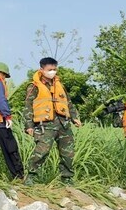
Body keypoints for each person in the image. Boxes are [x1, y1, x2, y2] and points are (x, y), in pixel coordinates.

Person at [23, 57, 82, 185]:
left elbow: (68, 103)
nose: (53, 72)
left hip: (63, 123)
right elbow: (28, 106)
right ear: (42, 69)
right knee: (41, 151)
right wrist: (29, 125)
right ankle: (31, 177)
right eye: (50, 69)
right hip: (45, 124)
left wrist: (74, 117)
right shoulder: (34, 86)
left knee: (68, 153)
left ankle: (67, 179)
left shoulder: (60, 85)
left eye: (55, 69)